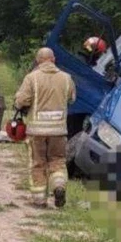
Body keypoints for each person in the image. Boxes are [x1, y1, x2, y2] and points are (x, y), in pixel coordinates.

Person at [15, 47, 77, 208]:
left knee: (38, 163)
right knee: (57, 162)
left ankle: (39, 200)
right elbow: (72, 99)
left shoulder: (31, 78)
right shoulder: (66, 78)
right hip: (59, 131)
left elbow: (21, 101)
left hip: (37, 131)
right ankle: (58, 187)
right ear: (53, 59)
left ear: (38, 61)